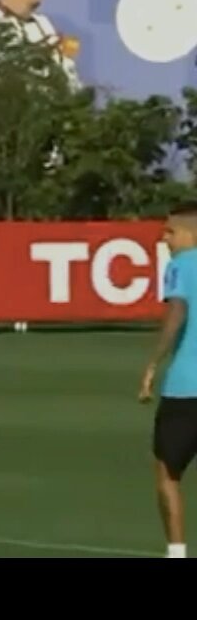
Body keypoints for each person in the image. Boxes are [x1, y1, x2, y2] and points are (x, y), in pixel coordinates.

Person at [138, 202, 197, 559]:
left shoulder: (181, 265)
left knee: (167, 470)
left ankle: (176, 553)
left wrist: (152, 364)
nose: (164, 239)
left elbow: (177, 310)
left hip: (186, 387)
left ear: (190, 234)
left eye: (169, 231)